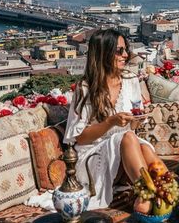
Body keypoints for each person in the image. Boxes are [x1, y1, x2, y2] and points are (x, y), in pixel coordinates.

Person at [64, 28, 165, 209]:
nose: (125, 55)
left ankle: (167, 190)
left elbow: (132, 127)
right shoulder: (86, 88)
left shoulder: (130, 80)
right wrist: (110, 122)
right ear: (104, 53)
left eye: (125, 49)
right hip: (92, 155)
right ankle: (148, 195)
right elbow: (78, 138)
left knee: (143, 147)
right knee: (127, 138)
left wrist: (137, 119)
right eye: (119, 51)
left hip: (124, 150)